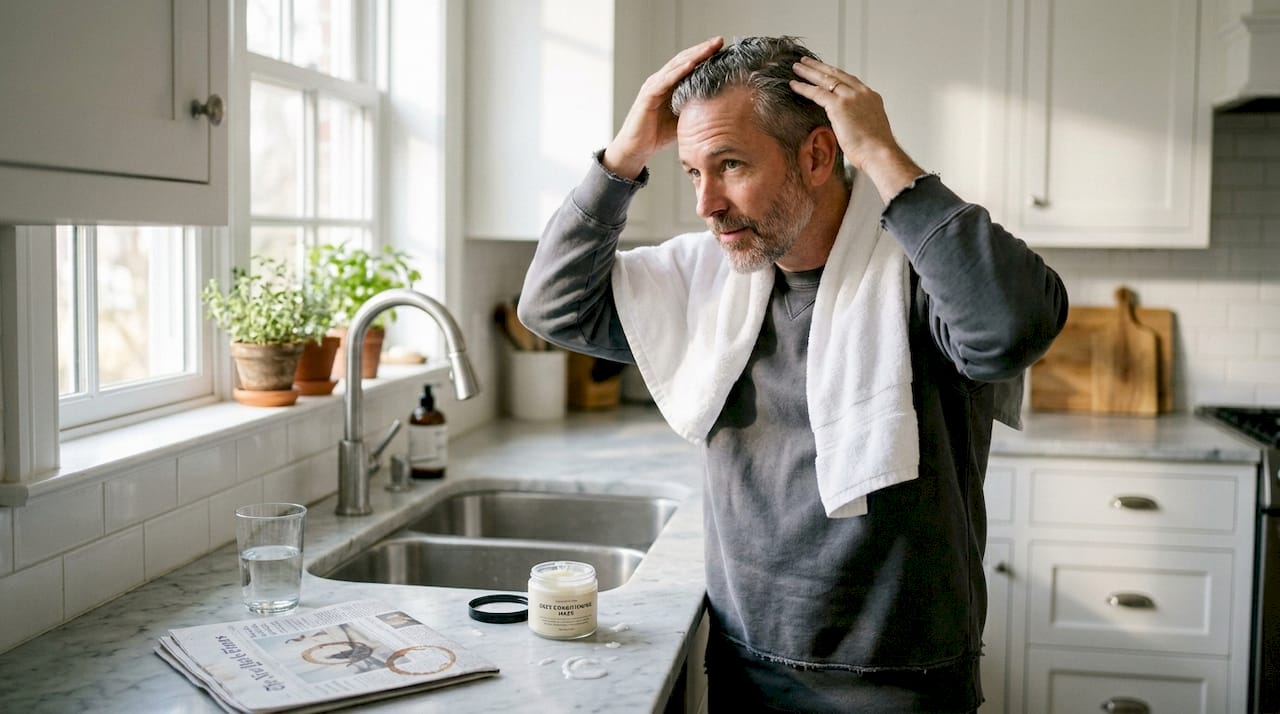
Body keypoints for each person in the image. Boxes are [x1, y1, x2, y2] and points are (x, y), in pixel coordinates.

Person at [518, 35, 1067, 713]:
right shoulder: (702, 285)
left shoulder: (923, 279)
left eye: (730, 165)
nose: (706, 203)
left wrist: (881, 155)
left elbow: (1010, 329)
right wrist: (623, 157)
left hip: (900, 682)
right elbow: (552, 306)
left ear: (816, 155)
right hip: (745, 663)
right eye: (693, 171)